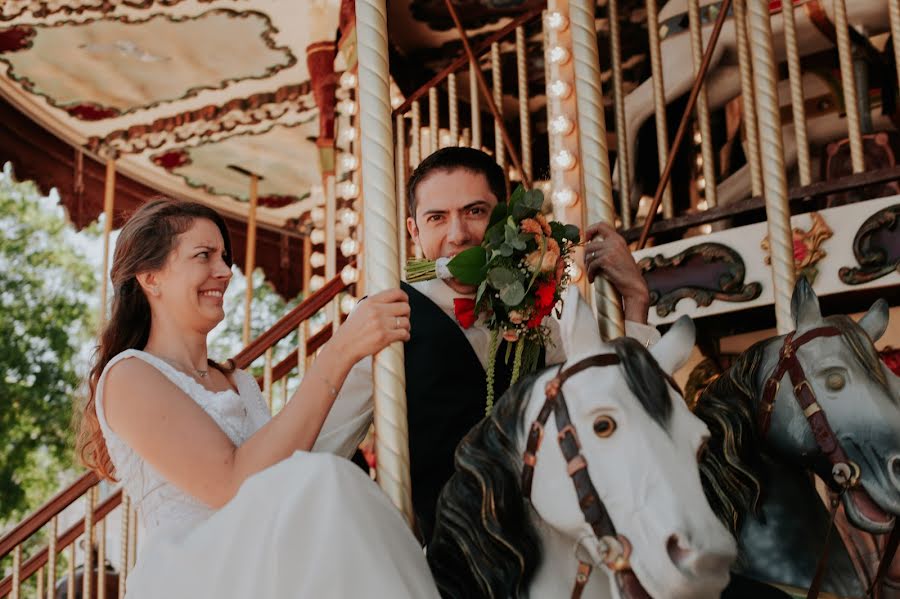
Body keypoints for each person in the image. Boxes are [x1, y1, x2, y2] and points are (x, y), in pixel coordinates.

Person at [76, 199, 440, 598]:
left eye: (224, 257)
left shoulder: (237, 381)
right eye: (204, 256)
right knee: (327, 482)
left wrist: (361, 359)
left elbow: (286, 466)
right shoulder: (130, 375)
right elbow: (230, 483)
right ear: (151, 277)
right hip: (198, 572)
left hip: (255, 560)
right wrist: (335, 356)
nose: (224, 270)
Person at [313, 147, 658, 542]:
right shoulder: (387, 316)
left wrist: (635, 300)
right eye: (437, 218)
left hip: (548, 547)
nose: (458, 235)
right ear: (414, 231)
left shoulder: (538, 313)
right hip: (446, 557)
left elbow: (621, 414)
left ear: (507, 217)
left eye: (475, 211)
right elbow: (323, 444)